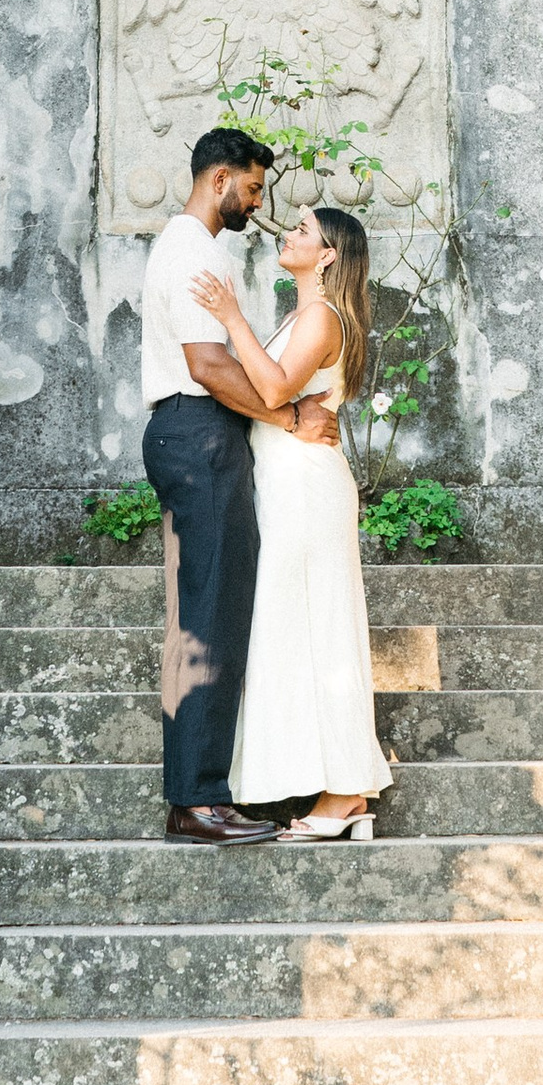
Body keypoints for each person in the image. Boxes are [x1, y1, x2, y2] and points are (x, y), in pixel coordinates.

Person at [195, 205, 392, 838]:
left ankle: (344, 797)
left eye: (304, 229)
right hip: (284, 485)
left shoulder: (322, 317)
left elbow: (276, 389)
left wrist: (230, 317)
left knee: (324, 628)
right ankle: (327, 788)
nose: (290, 233)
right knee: (293, 630)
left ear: (328, 255)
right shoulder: (299, 316)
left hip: (307, 488)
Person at [136, 125, 284, 845]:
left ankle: (196, 794)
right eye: (252, 188)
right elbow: (209, 365)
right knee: (208, 617)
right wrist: (284, 415)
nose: (256, 204)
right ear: (220, 180)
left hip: (190, 437)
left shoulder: (189, 247)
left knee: (203, 613)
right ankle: (199, 800)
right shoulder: (192, 251)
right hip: (198, 433)